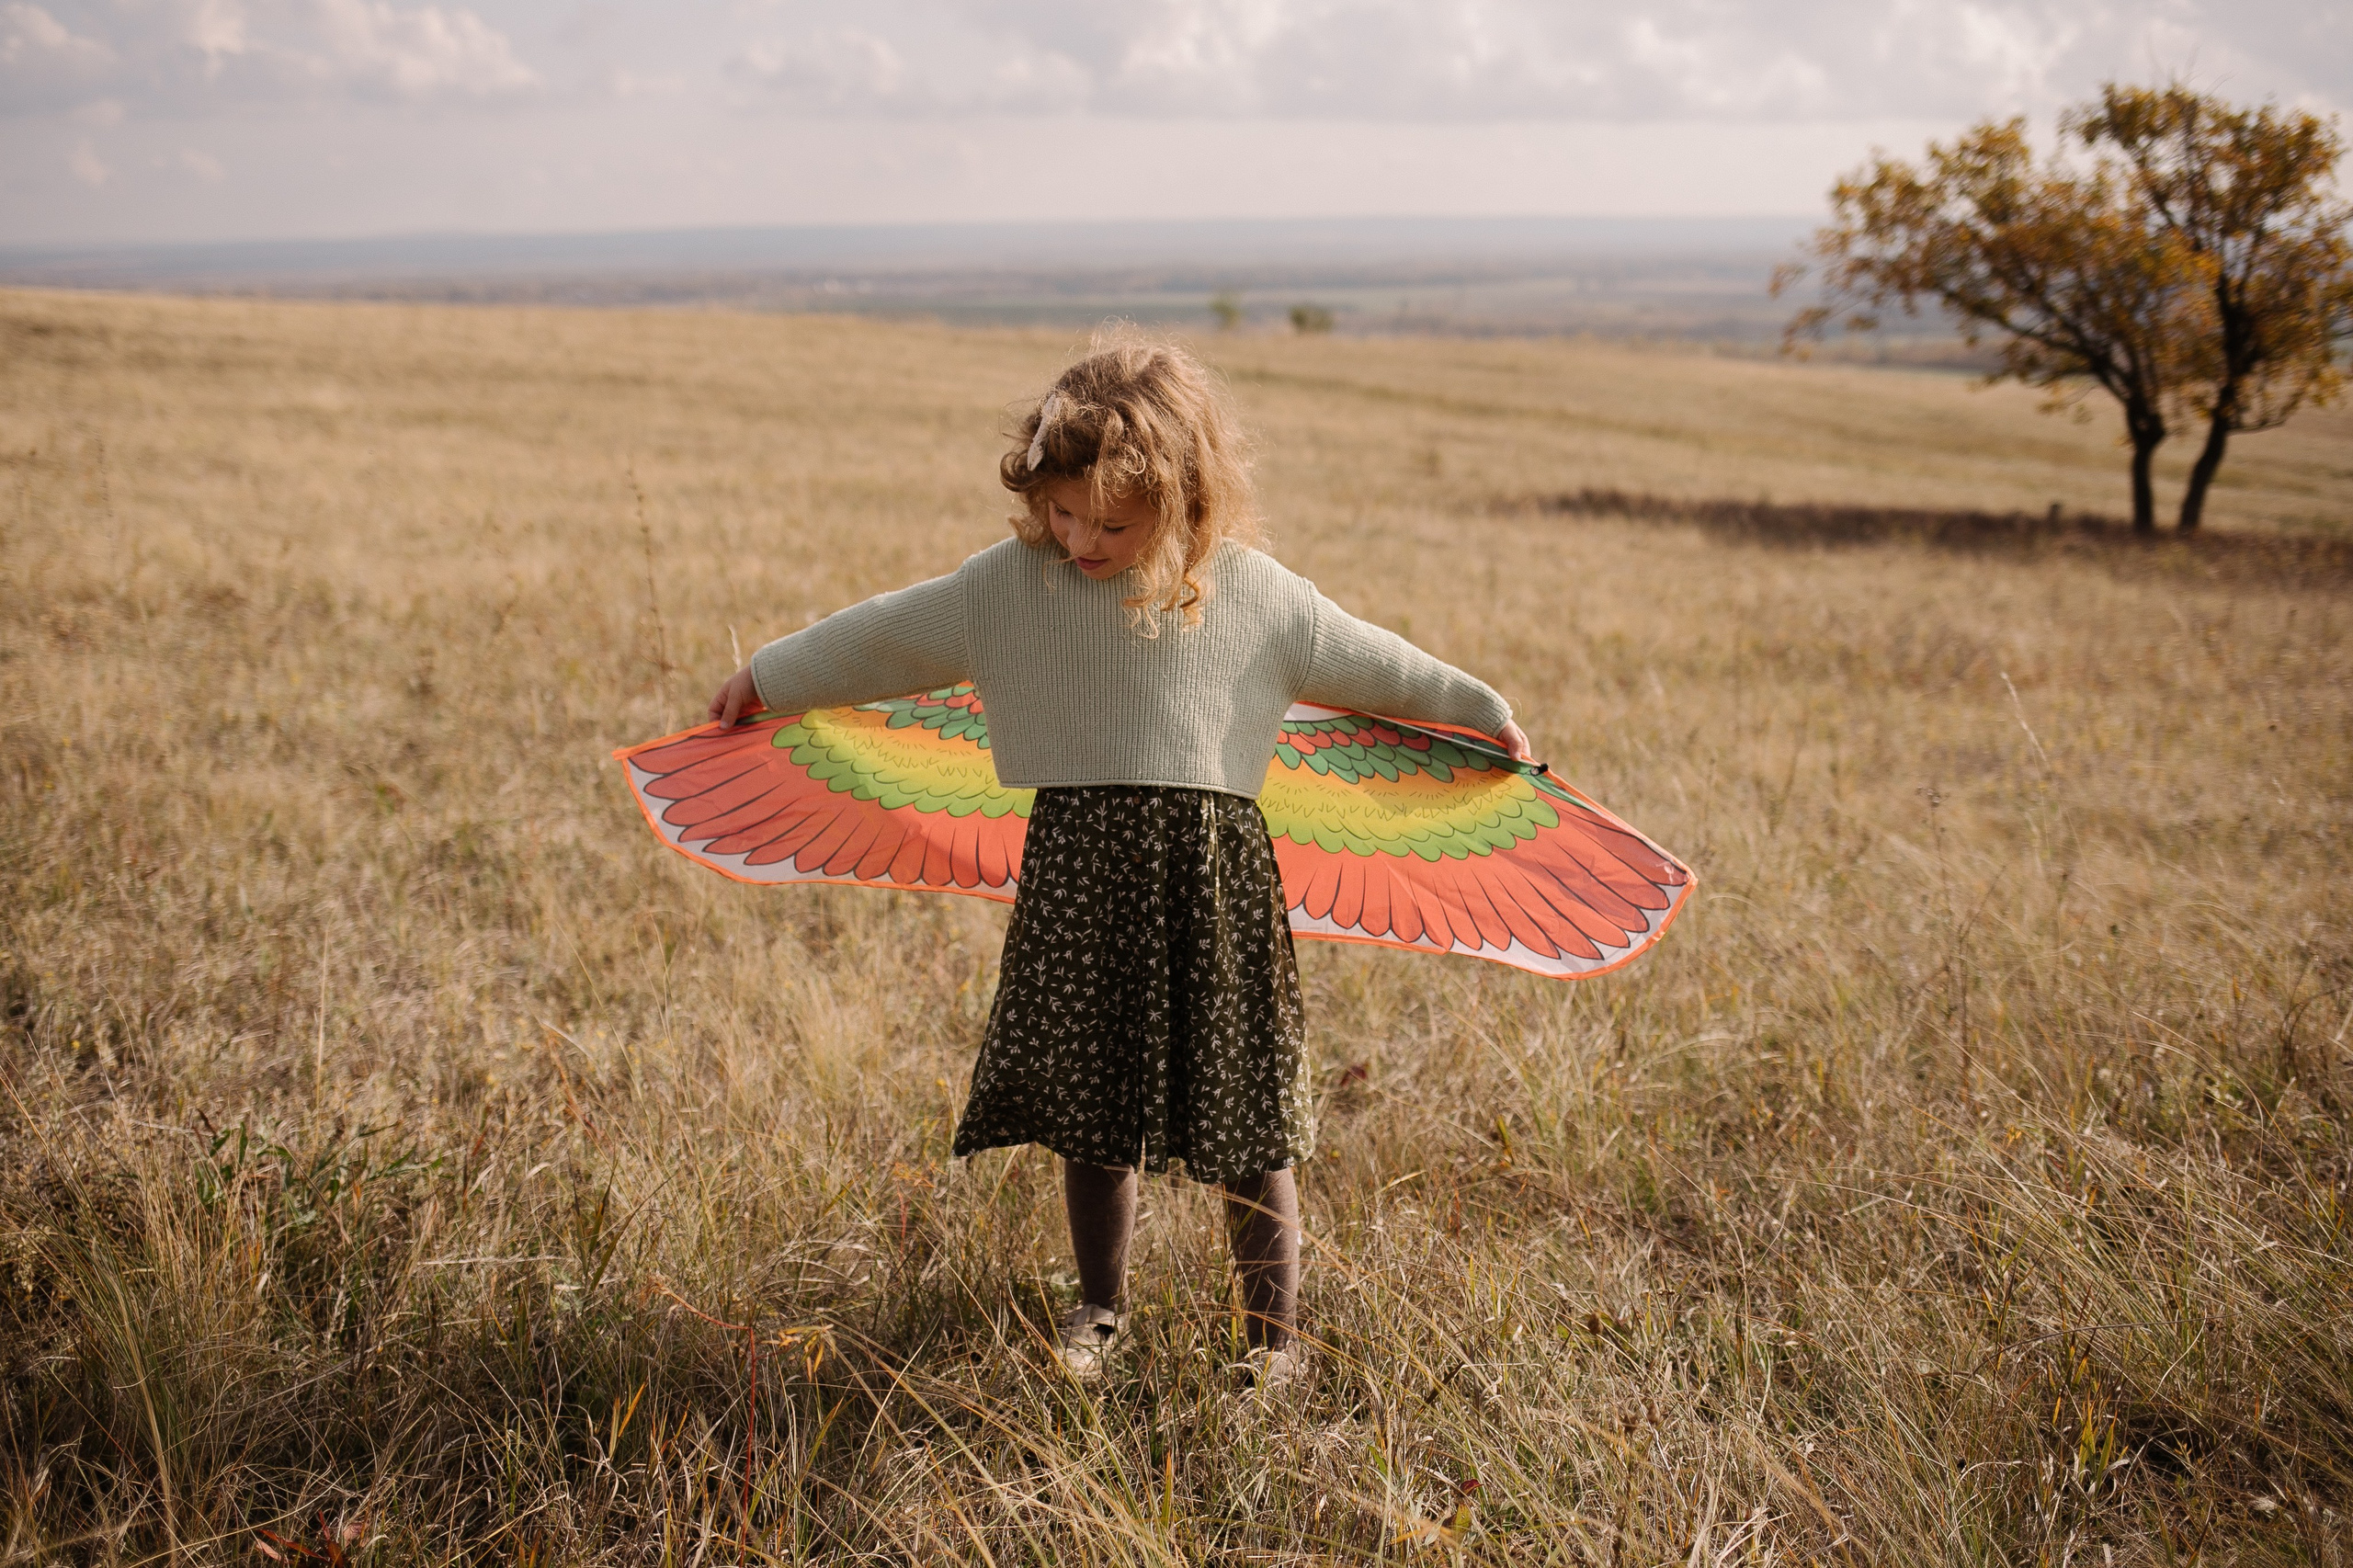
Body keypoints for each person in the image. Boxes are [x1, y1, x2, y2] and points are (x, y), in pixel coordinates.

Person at [705, 335, 1530, 1391]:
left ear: (1185, 502)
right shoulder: (1008, 588)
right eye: (1063, 512)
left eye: (1112, 522)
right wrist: (768, 674)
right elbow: (885, 636)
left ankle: (1273, 1341)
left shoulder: (1258, 595)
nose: (1081, 539)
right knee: (1089, 1114)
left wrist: (1479, 708)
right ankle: (1099, 1308)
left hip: (1213, 893)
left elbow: (1375, 660)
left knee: (1246, 1120)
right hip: (1079, 886)